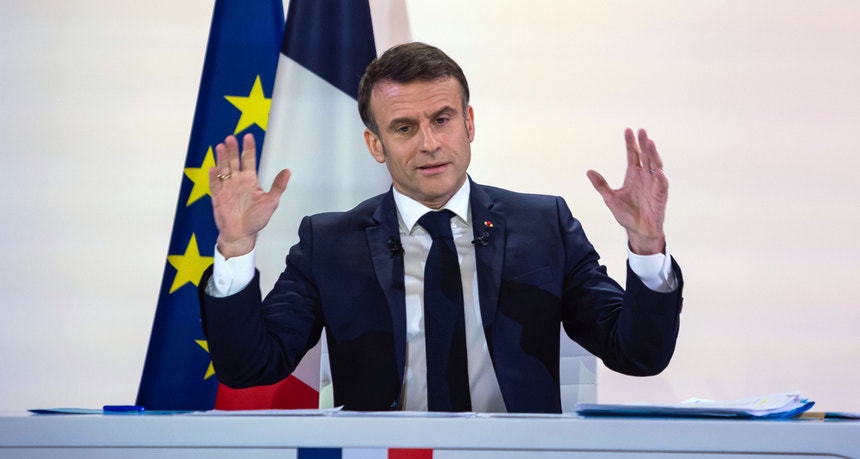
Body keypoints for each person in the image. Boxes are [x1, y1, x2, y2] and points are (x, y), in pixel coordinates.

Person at [200, 42, 683, 414]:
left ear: (468, 123)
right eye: (405, 128)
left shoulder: (544, 226)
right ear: (375, 143)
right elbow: (250, 368)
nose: (429, 143)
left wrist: (646, 246)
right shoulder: (329, 243)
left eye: (442, 119)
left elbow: (637, 353)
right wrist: (236, 246)